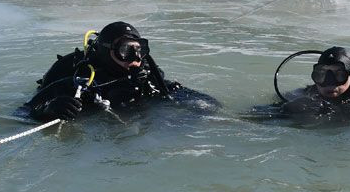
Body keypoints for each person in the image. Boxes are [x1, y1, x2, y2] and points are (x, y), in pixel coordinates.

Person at [24, 21, 218, 122]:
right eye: (125, 50)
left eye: (138, 50)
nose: (135, 58)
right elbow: (23, 113)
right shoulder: (76, 81)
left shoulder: (147, 78)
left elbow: (194, 100)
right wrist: (47, 111)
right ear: (107, 51)